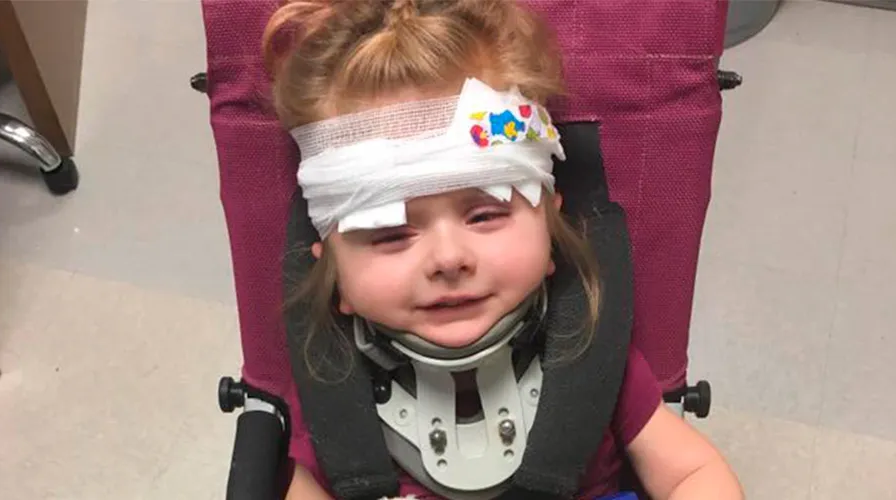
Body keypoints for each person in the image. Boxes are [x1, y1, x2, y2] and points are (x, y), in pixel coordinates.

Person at [262, 1, 744, 499]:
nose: (448, 259)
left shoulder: (590, 355)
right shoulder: (330, 391)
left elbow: (692, 474)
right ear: (335, 275)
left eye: (484, 215)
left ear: (550, 227)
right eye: (390, 234)